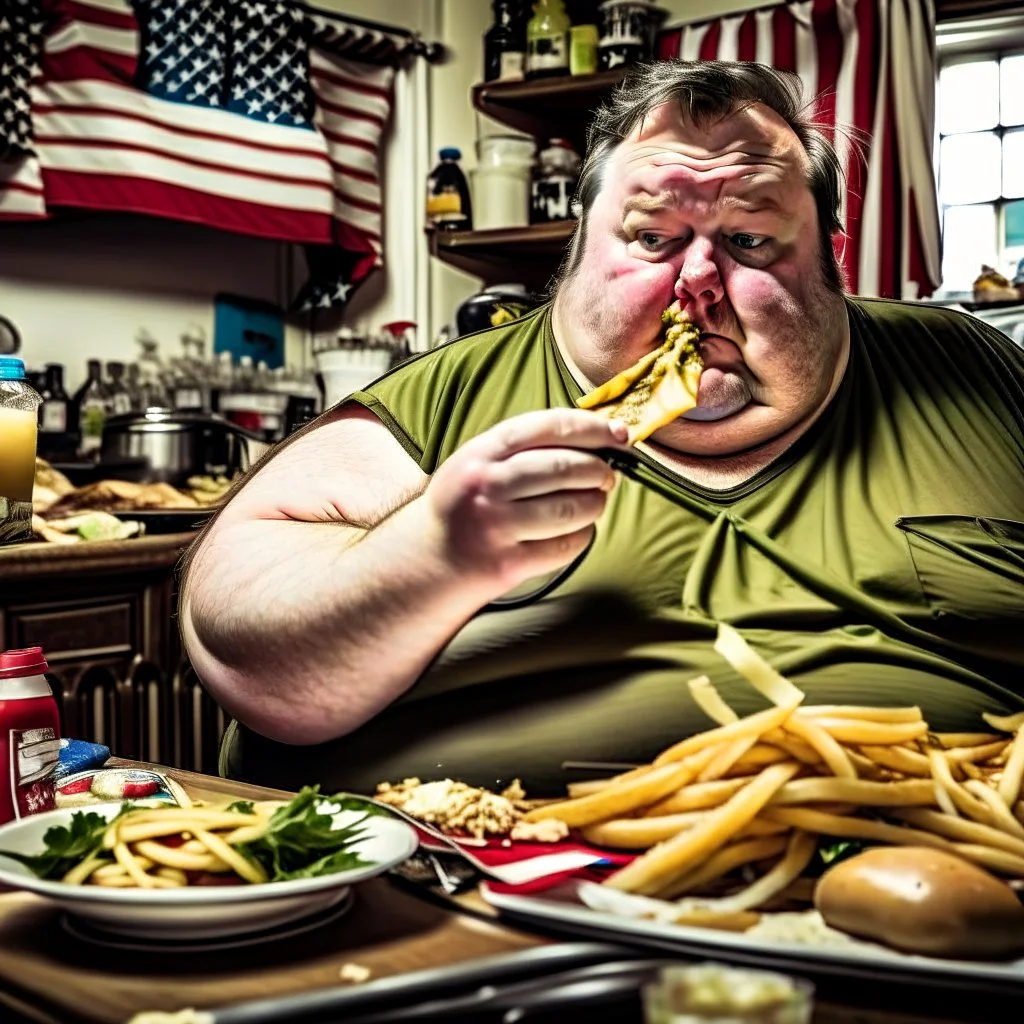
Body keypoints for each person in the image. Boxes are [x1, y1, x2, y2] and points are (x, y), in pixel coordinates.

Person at [180, 60, 1024, 796]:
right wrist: (435, 550)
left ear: (832, 255)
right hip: (471, 909)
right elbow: (246, 650)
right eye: (652, 236)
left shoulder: (971, 372)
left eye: (750, 239)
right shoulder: (453, 397)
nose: (699, 280)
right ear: (579, 240)